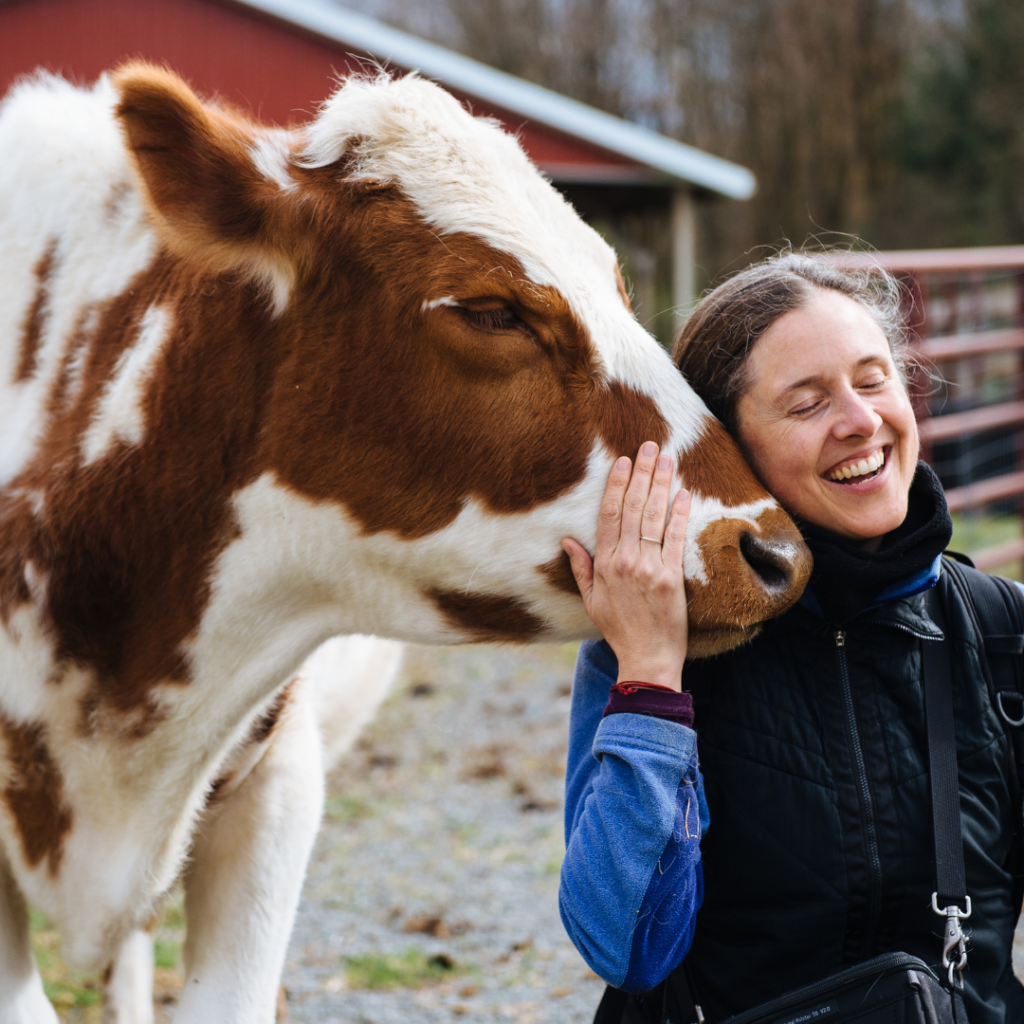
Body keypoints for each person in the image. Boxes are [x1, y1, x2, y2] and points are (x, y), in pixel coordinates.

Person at [558, 253, 1024, 1024]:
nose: (861, 421)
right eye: (807, 404)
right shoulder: (658, 651)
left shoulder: (1000, 628)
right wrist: (650, 678)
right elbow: (626, 950)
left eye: (874, 379)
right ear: (728, 448)